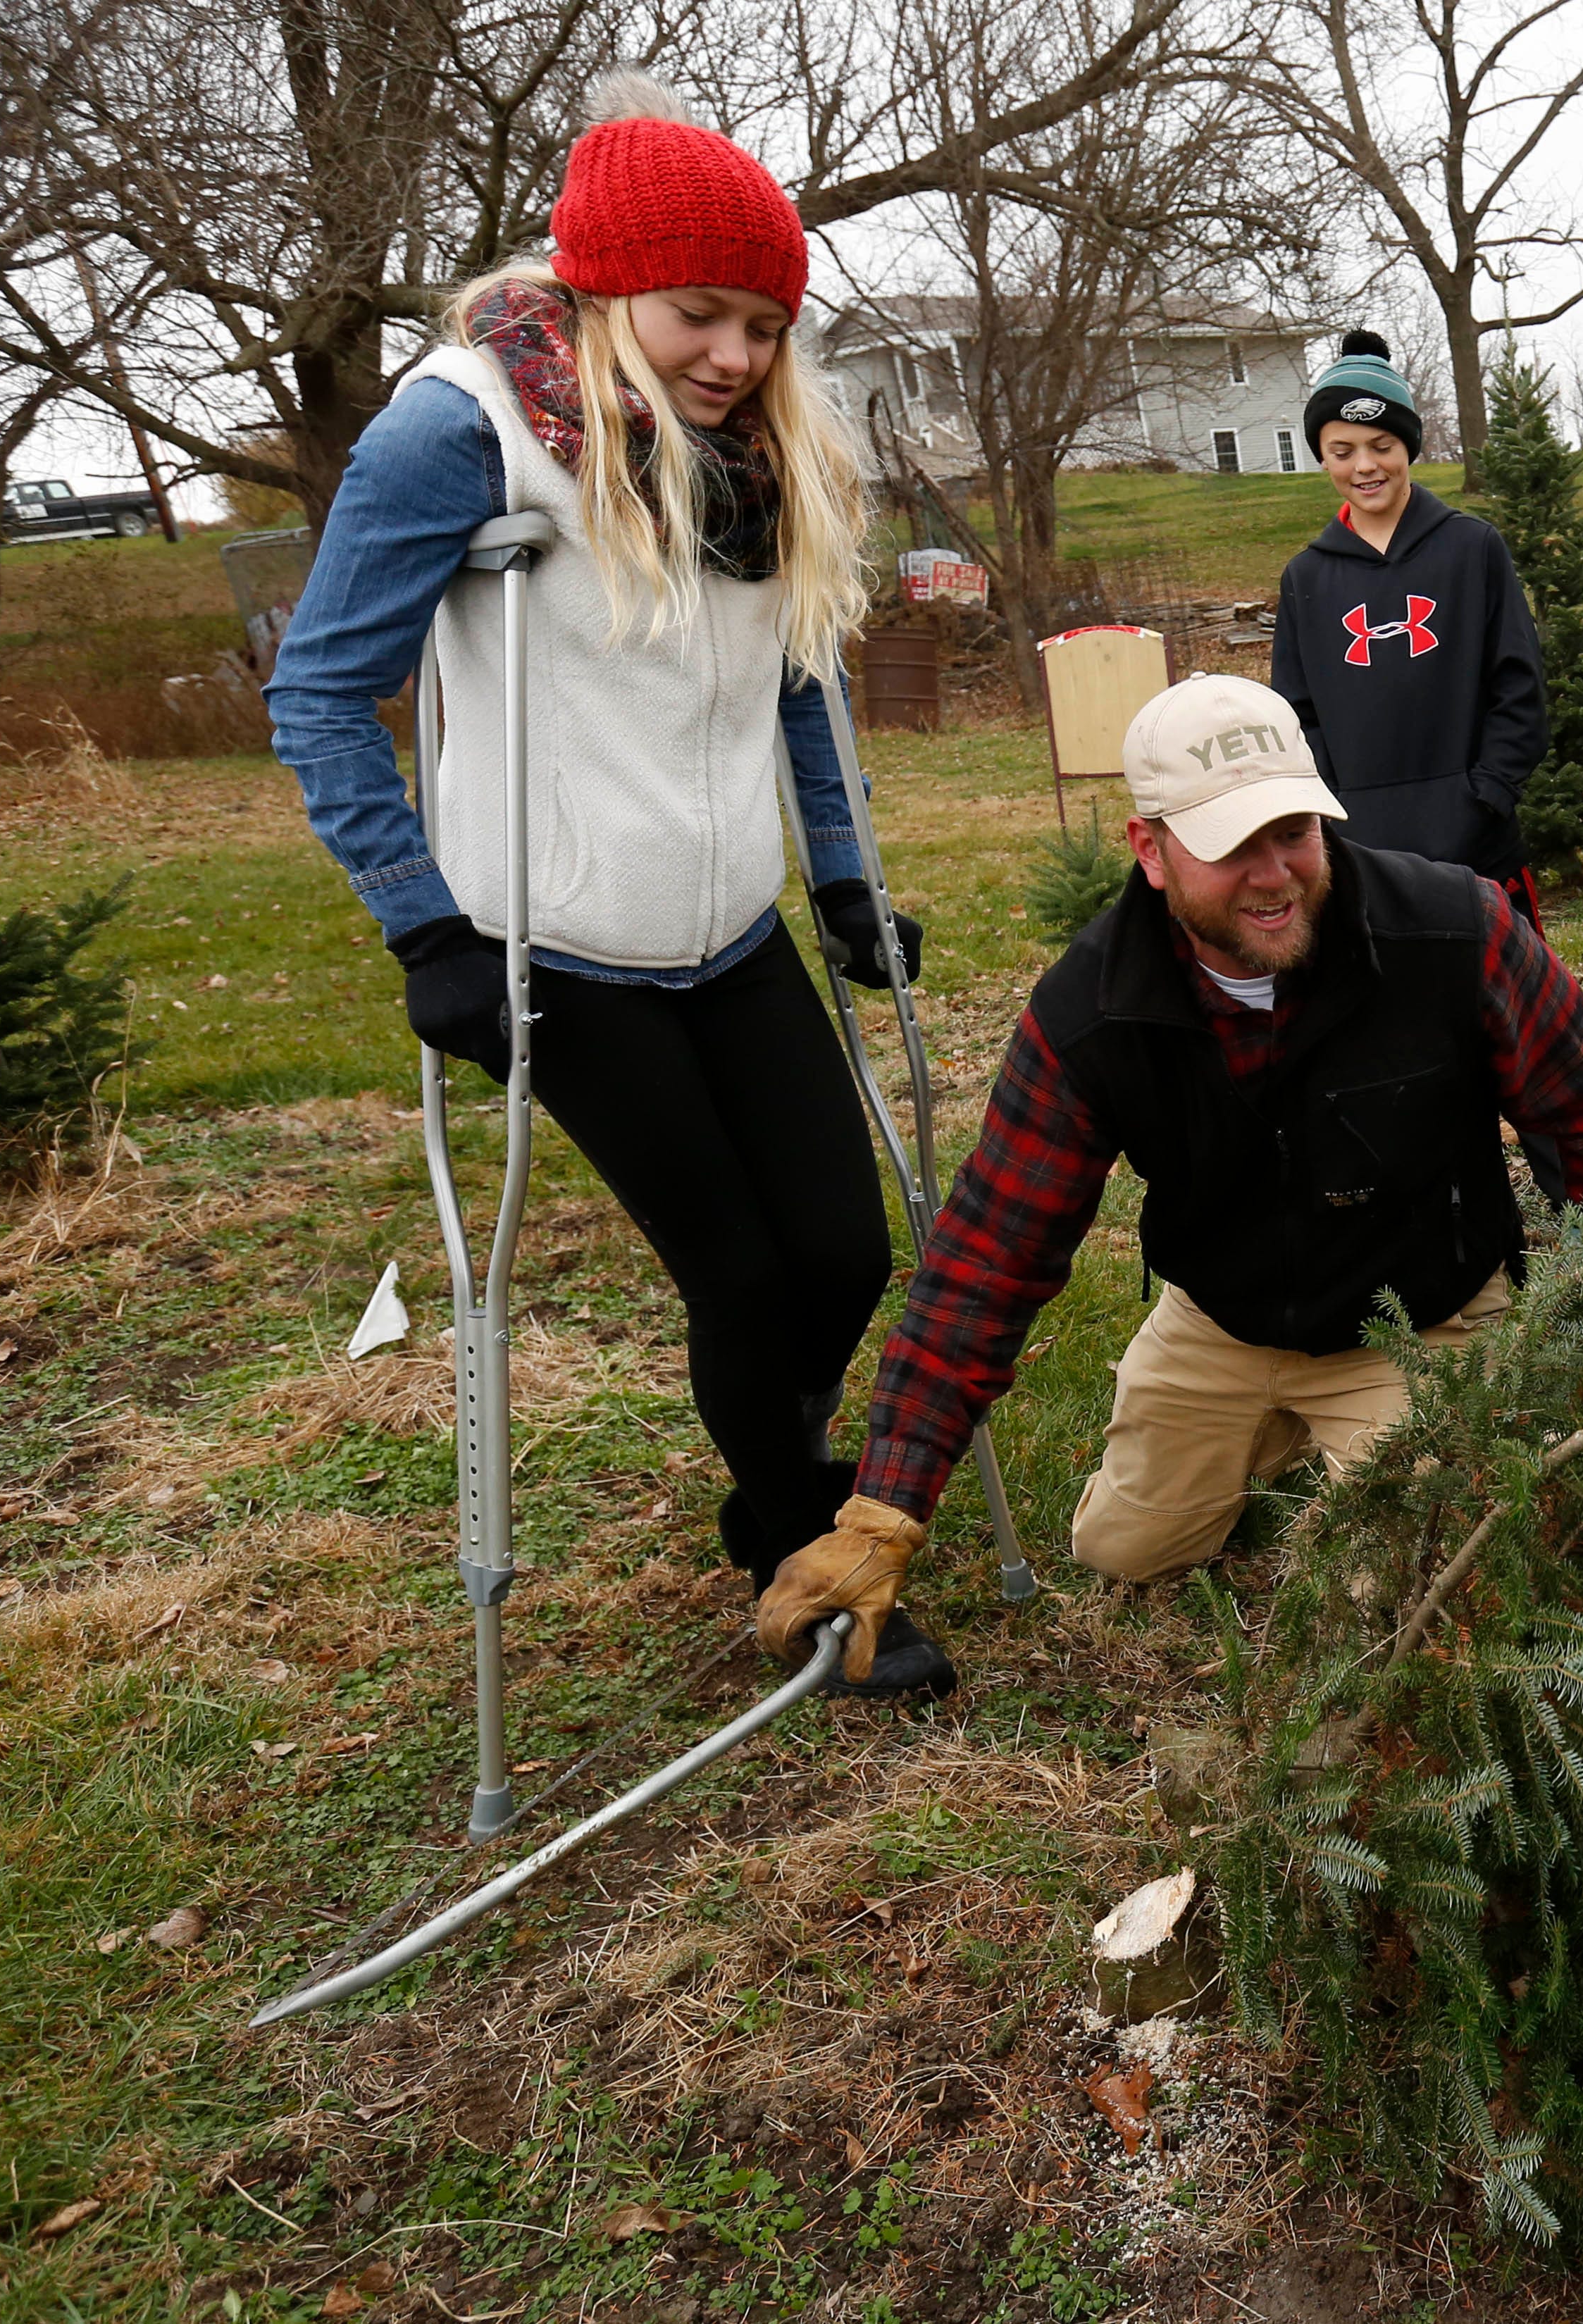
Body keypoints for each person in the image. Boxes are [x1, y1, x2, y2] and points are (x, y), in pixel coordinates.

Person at [265, 74, 949, 1698]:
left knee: (844, 1258)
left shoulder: (756, 455)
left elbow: (794, 679)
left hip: (731, 930)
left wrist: (844, 884)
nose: (733, 357)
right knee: (741, 1273)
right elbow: (320, 690)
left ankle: (764, 1478)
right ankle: (805, 1565)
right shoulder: (463, 425)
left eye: (763, 325)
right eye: (698, 317)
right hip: (553, 948)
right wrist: (424, 927)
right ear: (602, 289)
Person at [752, 676, 1583, 1663]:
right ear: (1151, 851)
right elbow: (988, 1256)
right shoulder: (1091, 1013)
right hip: (1223, 1318)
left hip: (1418, 1315)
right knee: (1122, 1550)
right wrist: (883, 1511)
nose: (1275, 874)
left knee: (1413, 1591)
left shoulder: (1453, 930)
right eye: (1230, 846)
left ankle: (1360, 1445)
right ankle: (1260, 1441)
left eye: (1294, 831)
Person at [1269, 331, 1551, 924]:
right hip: (1358, 850)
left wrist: (1486, 797)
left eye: (1382, 445)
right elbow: (1297, 718)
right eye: (1342, 450)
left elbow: (1518, 686)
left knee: (1497, 1008)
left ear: (1410, 446)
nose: (1365, 465)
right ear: (1322, 457)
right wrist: (1337, 815)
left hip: (1479, 845)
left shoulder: (1472, 550)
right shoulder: (1305, 578)